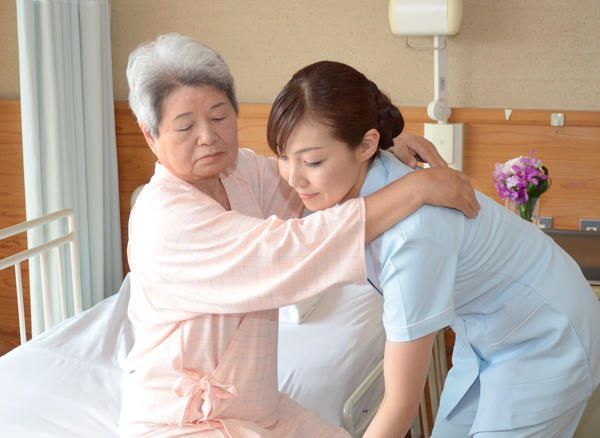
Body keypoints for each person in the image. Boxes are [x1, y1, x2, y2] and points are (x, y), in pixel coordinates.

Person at [120, 33, 479, 438]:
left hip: (259, 410)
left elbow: (316, 182)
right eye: (185, 126)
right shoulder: (163, 219)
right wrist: (413, 189)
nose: (208, 135)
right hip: (182, 422)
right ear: (150, 136)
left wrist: (377, 150)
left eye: (219, 117)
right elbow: (288, 252)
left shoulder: (240, 172)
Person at [267, 60, 600, 438]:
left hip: (546, 333)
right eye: (282, 156)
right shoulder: (370, 176)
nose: (294, 178)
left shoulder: (413, 237)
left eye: (312, 161)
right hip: (488, 329)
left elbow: (400, 405)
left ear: (366, 145)